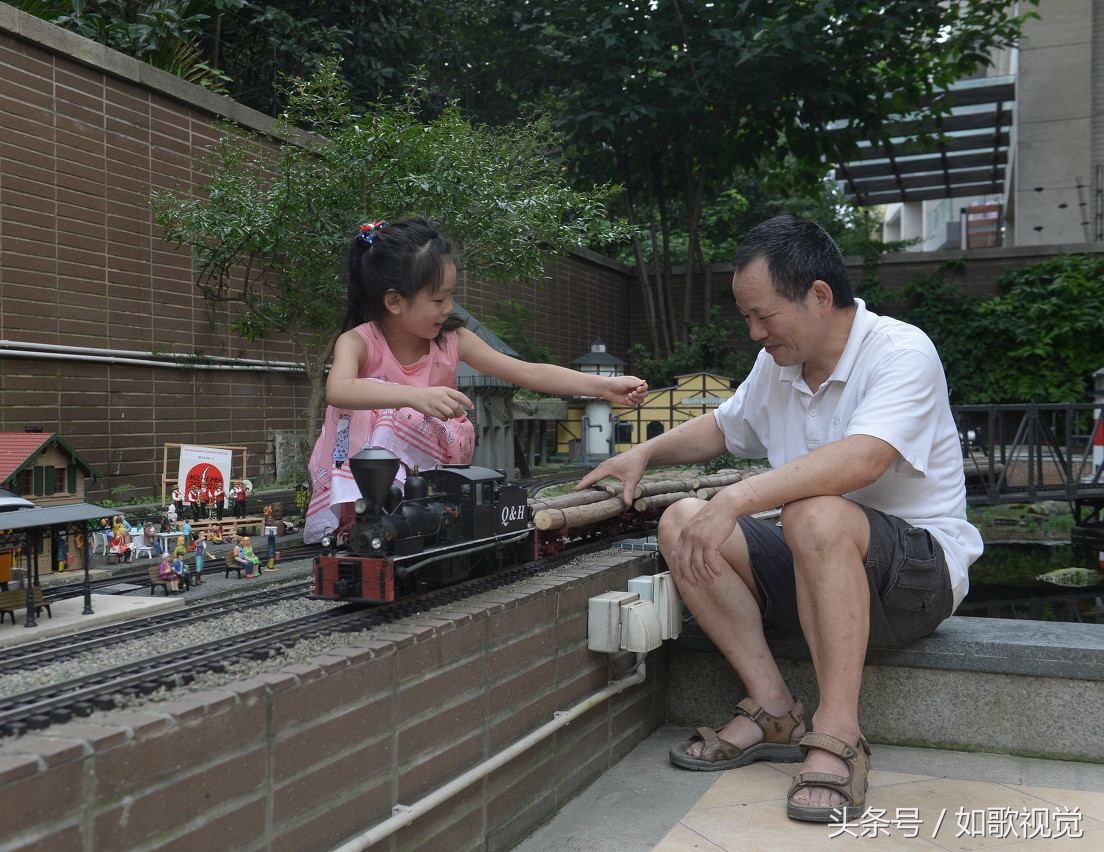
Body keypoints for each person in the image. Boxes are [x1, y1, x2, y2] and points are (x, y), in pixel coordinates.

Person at [577, 213, 977, 824]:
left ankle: (839, 731)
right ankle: (773, 708)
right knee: (683, 520)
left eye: (764, 315)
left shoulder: (900, 351)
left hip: (914, 583)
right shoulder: (778, 366)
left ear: (819, 296)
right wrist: (644, 452)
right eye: (747, 317)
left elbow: (866, 458)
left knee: (814, 511)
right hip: (816, 568)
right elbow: (722, 427)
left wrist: (737, 497)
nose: (755, 332)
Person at [304, 215, 648, 543]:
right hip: (368, 462)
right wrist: (410, 395)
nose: (449, 308)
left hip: (431, 465)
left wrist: (603, 387)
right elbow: (338, 390)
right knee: (369, 403)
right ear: (395, 301)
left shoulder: (453, 340)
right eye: (439, 299)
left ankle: (414, 514)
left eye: (451, 296)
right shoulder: (359, 341)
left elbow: (528, 371)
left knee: (401, 413)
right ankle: (360, 514)